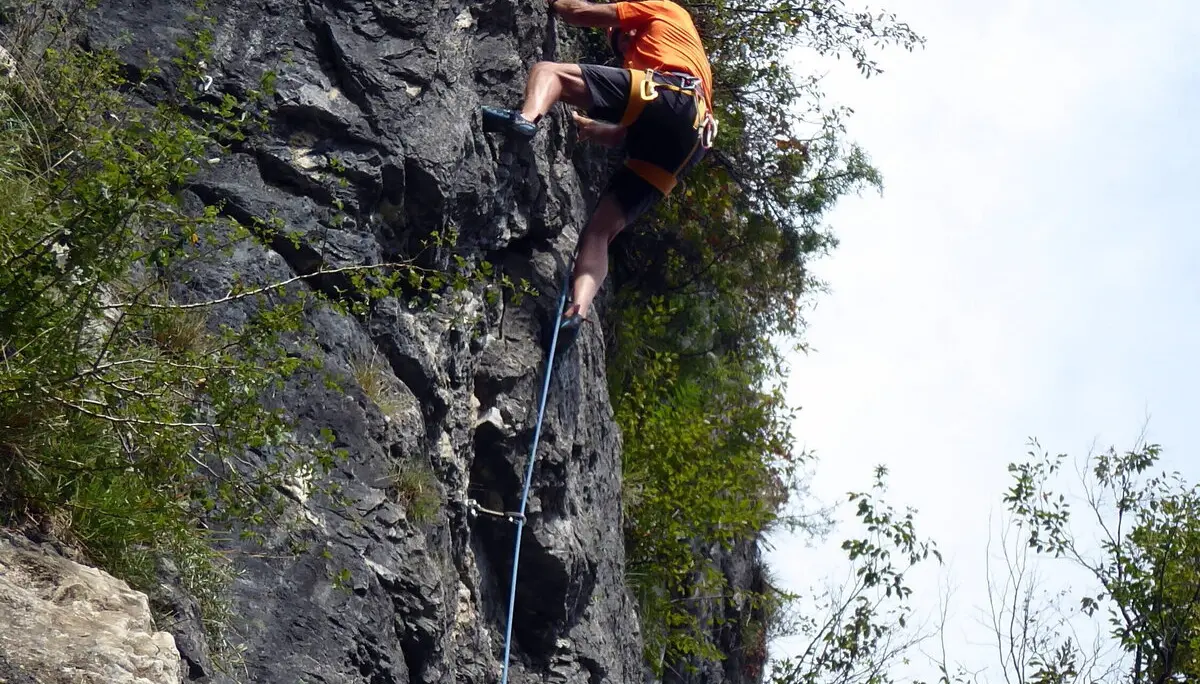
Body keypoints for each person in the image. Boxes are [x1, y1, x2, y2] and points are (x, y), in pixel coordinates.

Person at [481, 0, 716, 354]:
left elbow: (577, 12)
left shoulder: (662, 9)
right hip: (691, 142)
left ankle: (525, 120)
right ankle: (577, 311)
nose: (620, 45)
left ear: (631, 28)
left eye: (620, 37)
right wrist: (592, 128)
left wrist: (556, 4)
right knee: (600, 232)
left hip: (674, 95)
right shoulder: (667, 51)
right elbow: (629, 133)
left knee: (549, 72)